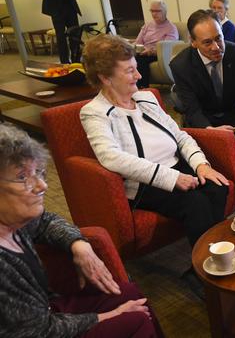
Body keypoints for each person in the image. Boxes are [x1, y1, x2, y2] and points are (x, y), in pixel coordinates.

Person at [79, 34, 230, 295]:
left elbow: (181, 136)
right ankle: (206, 274)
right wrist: (171, 179)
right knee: (195, 202)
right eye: (129, 71)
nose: (138, 76)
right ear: (105, 77)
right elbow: (110, 157)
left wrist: (201, 165)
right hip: (145, 183)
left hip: (176, 166)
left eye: (136, 67)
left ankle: (207, 263)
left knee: (218, 186)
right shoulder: (94, 112)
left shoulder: (146, 98)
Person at [0, 123, 163, 337]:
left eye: (39, 172)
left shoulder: (14, 219)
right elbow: (37, 331)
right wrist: (107, 316)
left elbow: (46, 221)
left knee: (130, 293)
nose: (42, 186)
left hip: (46, 310)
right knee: (135, 319)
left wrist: (79, 244)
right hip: (41, 329)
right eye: (23, 177)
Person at [170, 9, 235, 131]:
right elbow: (192, 109)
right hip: (204, 119)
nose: (216, 47)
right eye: (207, 42)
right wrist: (210, 130)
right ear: (193, 42)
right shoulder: (181, 66)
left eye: (218, 38)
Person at [37, 0, 82, 64]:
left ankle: (76, 61)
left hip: (70, 6)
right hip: (56, 8)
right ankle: (65, 62)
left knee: (74, 35)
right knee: (61, 36)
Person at [134, 0, 179, 88]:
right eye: (152, 11)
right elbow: (138, 42)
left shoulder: (171, 28)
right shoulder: (147, 25)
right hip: (144, 52)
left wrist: (150, 51)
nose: (154, 14)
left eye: (157, 11)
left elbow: (167, 49)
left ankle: (143, 87)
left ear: (164, 11)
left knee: (140, 60)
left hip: (158, 54)